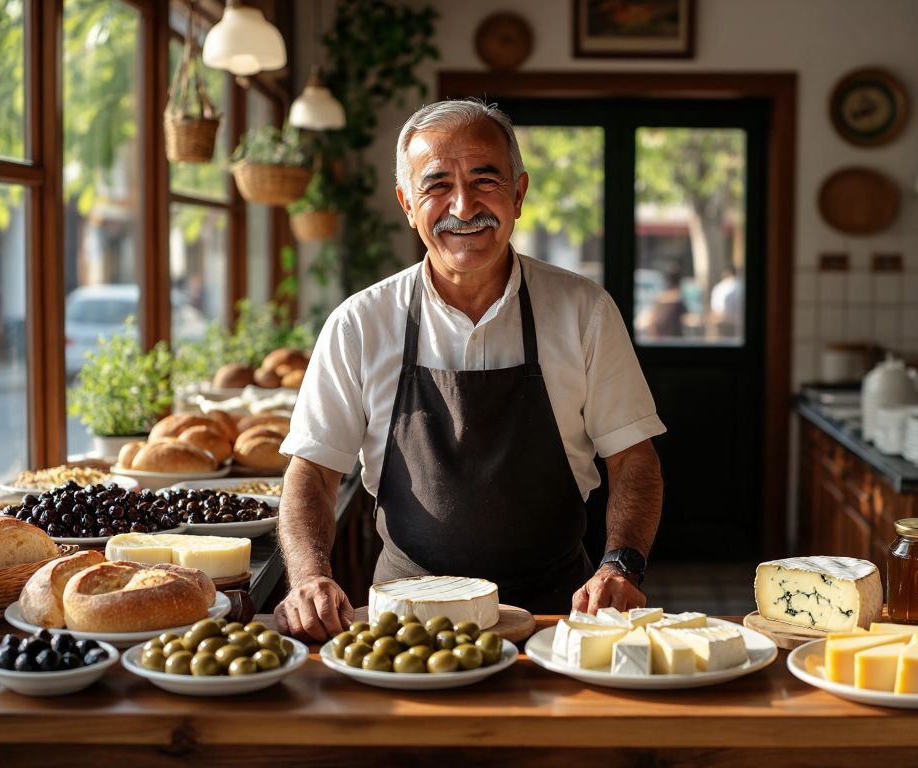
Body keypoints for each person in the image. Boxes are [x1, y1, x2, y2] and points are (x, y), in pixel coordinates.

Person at [274, 99, 666, 641]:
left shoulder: (583, 311)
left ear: (519, 194)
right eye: (436, 185)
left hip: (558, 620)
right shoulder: (359, 324)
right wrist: (310, 578)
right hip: (406, 628)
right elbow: (312, 472)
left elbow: (633, 459)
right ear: (407, 204)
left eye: (486, 179)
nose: (463, 205)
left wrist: (620, 565)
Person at [709, 265, 743, 338]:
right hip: (735, 323)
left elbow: (715, 311)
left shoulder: (719, 287)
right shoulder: (741, 285)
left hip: (727, 323)